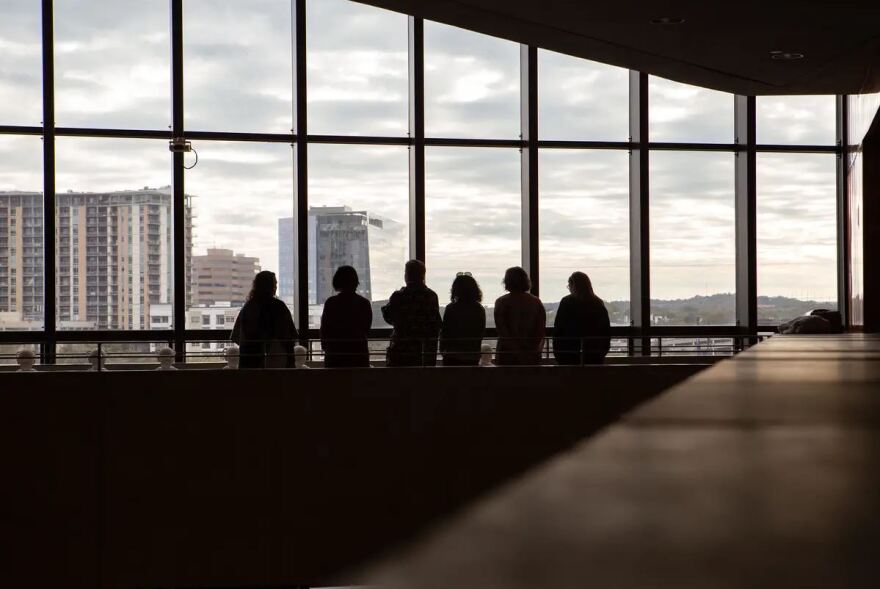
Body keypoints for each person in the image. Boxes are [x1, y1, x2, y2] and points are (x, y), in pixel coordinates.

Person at [231, 270, 297, 368]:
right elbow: (289, 335)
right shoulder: (279, 306)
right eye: (275, 283)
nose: (276, 286)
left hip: (250, 361)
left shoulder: (249, 307)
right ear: (270, 286)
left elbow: (237, 336)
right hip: (277, 362)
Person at [381, 260, 442, 367]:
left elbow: (389, 317)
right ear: (422, 275)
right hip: (423, 353)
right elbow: (435, 324)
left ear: (407, 276)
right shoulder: (431, 296)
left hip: (401, 352)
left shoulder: (399, 296)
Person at [553, 271, 611, 365]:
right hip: (593, 355)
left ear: (573, 286)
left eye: (569, 286)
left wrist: (559, 354)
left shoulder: (566, 302)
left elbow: (558, 329)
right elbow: (605, 330)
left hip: (568, 354)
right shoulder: (597, 303)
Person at [320, 265, 373, 368]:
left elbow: (325, 330)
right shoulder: (364, 303)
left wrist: (327, 347)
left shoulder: (331, 303)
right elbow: (366, 329)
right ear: (355, 282)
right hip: (358, 354)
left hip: (335, 355)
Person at [494, 267, 546, 366]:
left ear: (507, 282)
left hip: (507, 355)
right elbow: (540, 330)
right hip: (531, 353)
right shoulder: (536, 302)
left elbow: (503, 331)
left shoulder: (501, 302)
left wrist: (517, 352)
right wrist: (531, 351)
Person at [439, 273, 486, 366]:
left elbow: (445, 332)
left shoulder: (451, 308)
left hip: (452, 355)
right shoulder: (479, 309)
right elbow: (480, 332)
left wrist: (442, 350)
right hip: (472, 355)